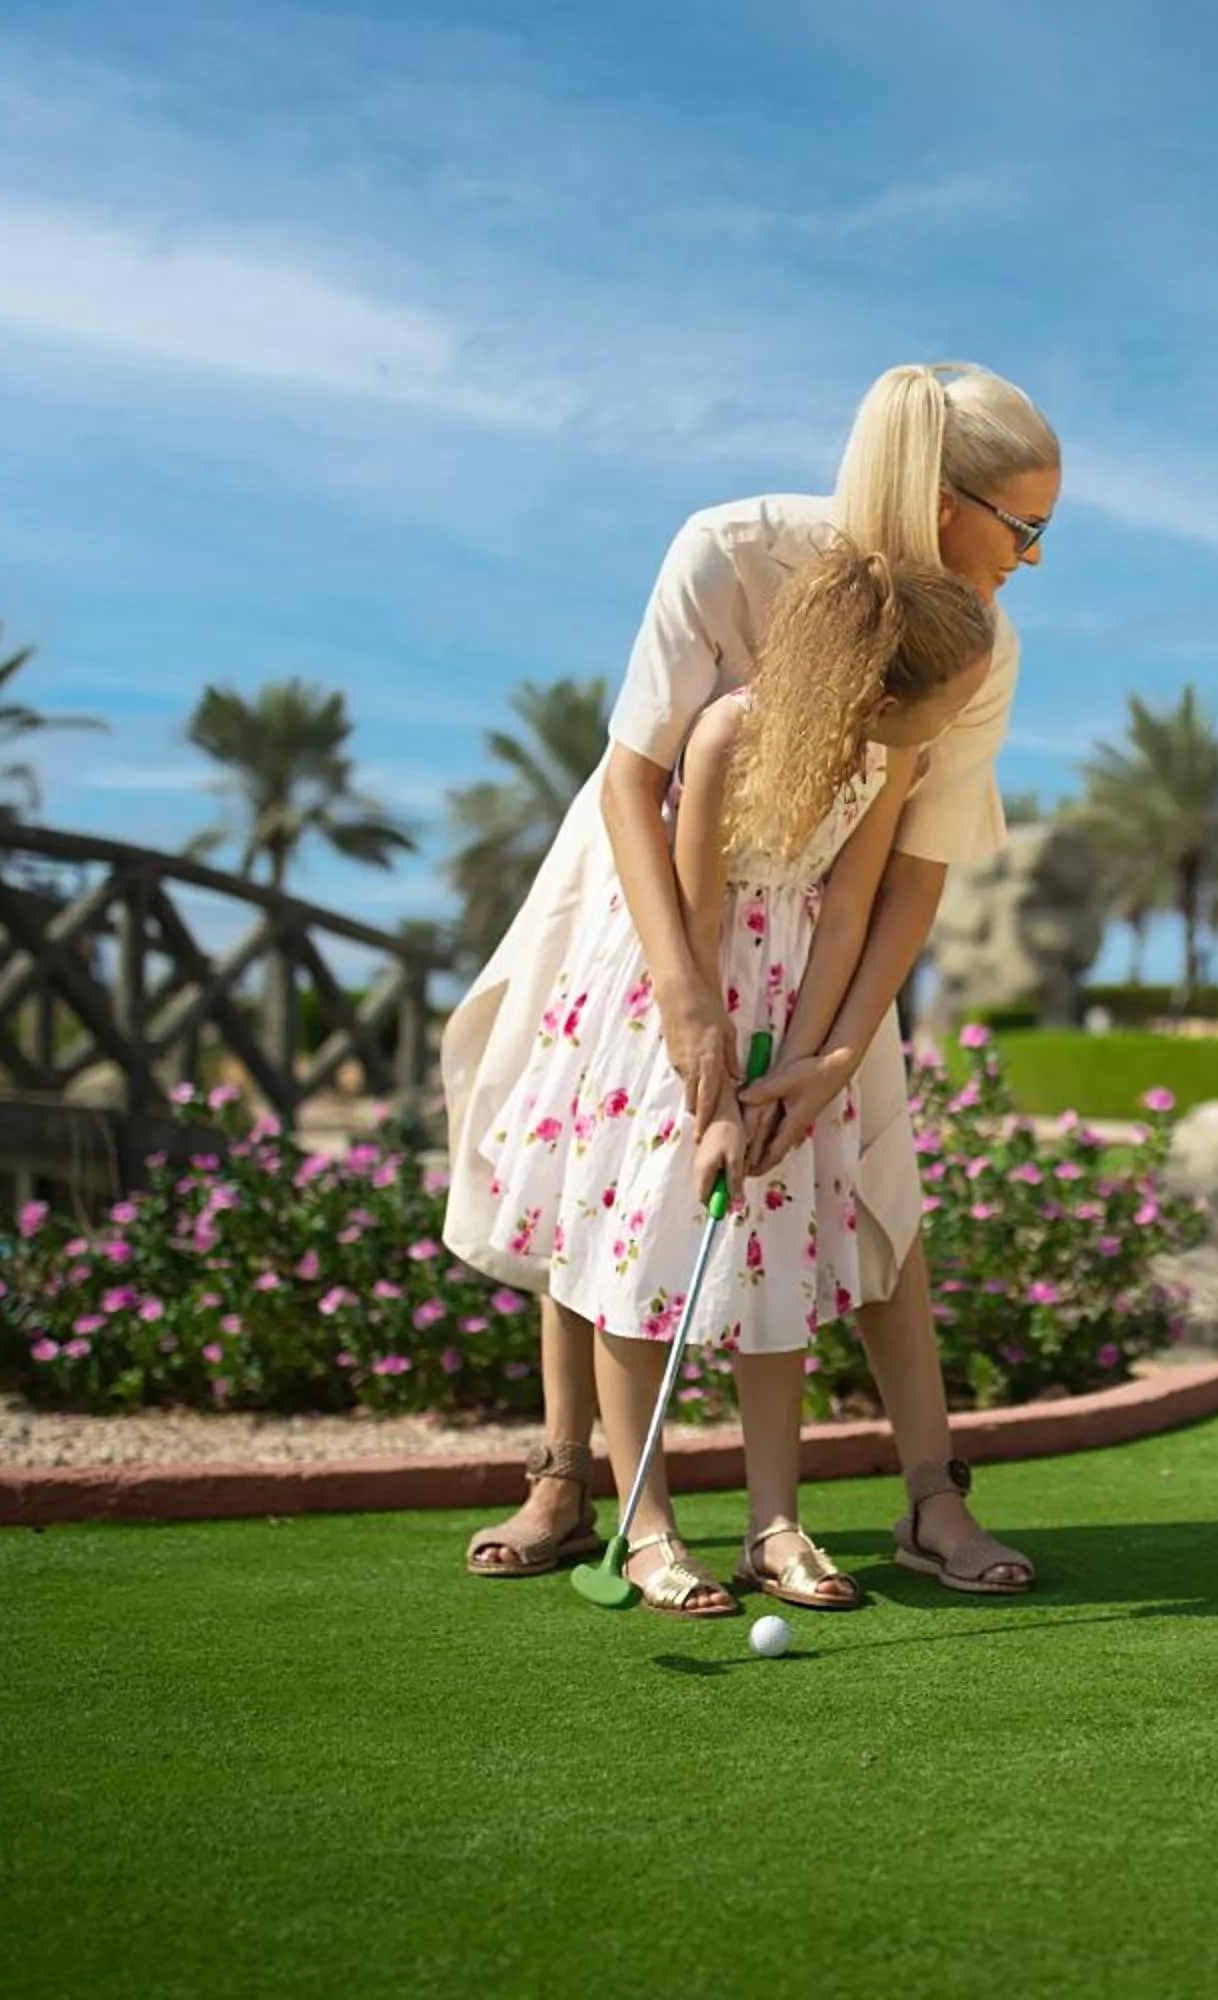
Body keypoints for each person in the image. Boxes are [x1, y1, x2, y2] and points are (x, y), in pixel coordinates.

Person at [444, 362, 1059, 1592]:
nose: (1034, 557)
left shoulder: (978, 644)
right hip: (655, 888)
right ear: (949, 501)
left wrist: (828, 1053)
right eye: (1024, 526)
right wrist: (687, 1005)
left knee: (861, 1172)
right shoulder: (729, 547)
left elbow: (908, 871)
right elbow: (635, 776)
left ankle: (912, 1500)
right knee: (604, 1175)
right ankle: (581, 1480)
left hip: (816, 932)